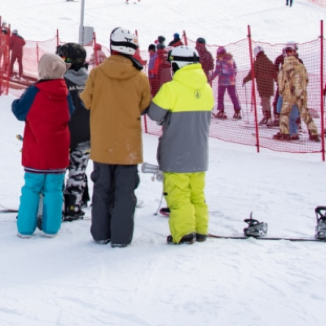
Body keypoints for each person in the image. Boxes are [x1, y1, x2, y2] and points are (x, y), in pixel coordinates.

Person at [81, 27, 151, 248]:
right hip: (128, 145)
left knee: (101, 189)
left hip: (102, 143)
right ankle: (121, 237)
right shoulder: (140, 77)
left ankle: (100, 234)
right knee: (124, 191)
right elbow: (144, 106)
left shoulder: (97, 73)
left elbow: (87, 101)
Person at [147, 46, 214, 245]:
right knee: (197, 195)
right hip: (199, 154)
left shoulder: (171, 88)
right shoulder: (207, 88)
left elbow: (154, 114)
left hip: (176, 153)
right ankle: (201, 230)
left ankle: (184, 233)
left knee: (179, 197)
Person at [11, 53, 73, 238]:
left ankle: (25, 228)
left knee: (31, 187)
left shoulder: (34, 91)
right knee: (54, 189)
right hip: (58, 150)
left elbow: (20, 112)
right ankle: (51, 228)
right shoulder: (64, 91)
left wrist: (16, 102)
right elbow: (69, 113)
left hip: (37, 149)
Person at [55, 42, 92, 222]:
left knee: (59, 171)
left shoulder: (60, 81)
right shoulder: (91, 81)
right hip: (85, 135)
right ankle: (73, 206)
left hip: (63, 136)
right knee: (78, 172)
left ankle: (58, 206)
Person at [276, 43, 319, 141]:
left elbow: (281, 81)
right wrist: (301, 89)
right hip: (301, 93)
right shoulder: (301, 65)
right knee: (304, 113)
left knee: (284, 113)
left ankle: (285, 133)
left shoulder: (285, 66)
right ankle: (313, 133)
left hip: (289, 93)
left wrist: (282, 92)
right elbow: (306, 79)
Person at [242, 46, 277, 126]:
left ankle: (267, 118)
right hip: (269, 86)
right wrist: (277, 80)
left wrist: (245, 80)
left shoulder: (257, 63)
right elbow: (274, 73)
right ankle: (268, 117)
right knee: (267, 101)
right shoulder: (269, 61)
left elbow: (252, 74)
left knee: (264, 101)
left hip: (262, 86)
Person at [212, 46, 241, 119]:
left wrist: (210, 78)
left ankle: (221, 111)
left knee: (220, 96)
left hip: (223, 81)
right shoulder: (231, 59)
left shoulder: (219, 60)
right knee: (233, 96)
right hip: (231, 81)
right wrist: (233, 77)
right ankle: (237, 111)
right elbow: (235, 69)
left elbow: (217, 71)